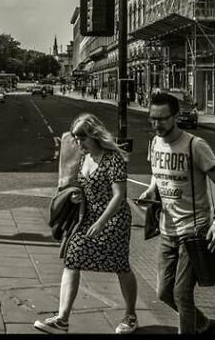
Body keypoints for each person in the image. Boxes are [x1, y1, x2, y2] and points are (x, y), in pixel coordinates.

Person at [34, 113, 138, 335]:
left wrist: (101, 223)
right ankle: (62, 319)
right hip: (88, 217)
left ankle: (130, 315)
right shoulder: (84, 157)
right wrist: (75, 196)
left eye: (83, 138)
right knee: (72, 258)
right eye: (77, 138)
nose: (79, 143)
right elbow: (81, 185)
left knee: (121, 265)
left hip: (114, 219)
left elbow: (119, 196)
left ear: (94, 135)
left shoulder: (113, 159)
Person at [138, 91, 215, 336]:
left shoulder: (195, 146)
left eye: (162, 119)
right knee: (164, 292)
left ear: (176, 116)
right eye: (152, 119)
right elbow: (157, 174)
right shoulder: (155, 142)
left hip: (194, 230)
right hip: (167, 230)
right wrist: (150, 190)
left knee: (181, 294)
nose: (156, 124)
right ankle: (203, 325)